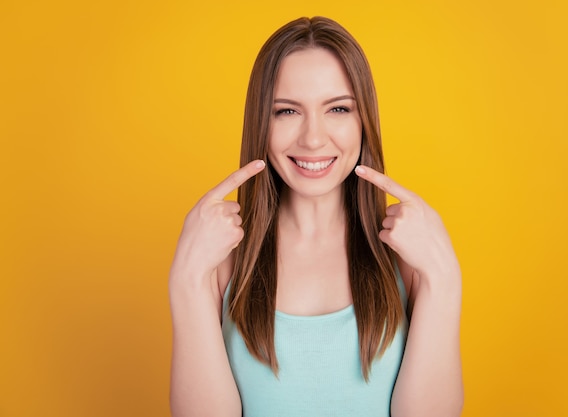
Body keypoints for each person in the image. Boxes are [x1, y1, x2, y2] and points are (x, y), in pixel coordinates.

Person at [169, 16, 463, 417]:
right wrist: (185, 280)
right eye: (287, 112)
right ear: (261, 123)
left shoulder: (409, 258)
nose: (312, 138)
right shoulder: (220, 261)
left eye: (338, 108)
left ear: (364, 122)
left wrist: (444, 279)